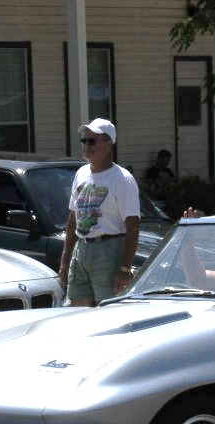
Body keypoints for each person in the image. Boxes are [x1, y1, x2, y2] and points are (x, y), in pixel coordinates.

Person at [58, 118, 141, 306]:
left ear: (109, 143)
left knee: (107, 310)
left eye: (92, 141)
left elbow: (133, 226)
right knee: (78, 310)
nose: (86, 146)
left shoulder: (122, 179)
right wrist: (65, 260)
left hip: (109, 250)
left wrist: (124, 269)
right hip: (81, 249)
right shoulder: (81, 173)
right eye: (84, 141)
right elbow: (73, 219)